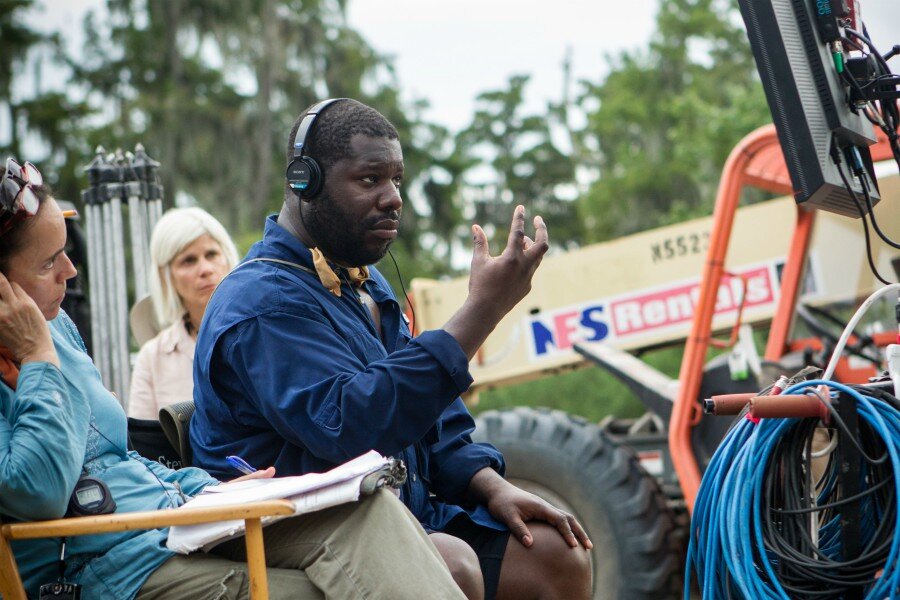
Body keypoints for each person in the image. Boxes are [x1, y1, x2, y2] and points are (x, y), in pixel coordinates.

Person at [0, 158, 466, 600]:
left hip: (170, 521)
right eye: (48, 263)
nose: (70, 271)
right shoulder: (46, 340)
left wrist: (207, 488)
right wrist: (37, 358)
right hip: (103, 563)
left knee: (369, 509)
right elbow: (39, 491)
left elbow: (116, 459)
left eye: (66, 253)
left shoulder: (54, 325)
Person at [191, 99, 593, 600]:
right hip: (301, 525)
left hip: (397, 511)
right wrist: (482, 311)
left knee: (556, 555)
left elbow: (430, 414)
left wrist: (492, 485)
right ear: (304, 182)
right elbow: (349, 427)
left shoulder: (364, 283)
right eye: (369, 180)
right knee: (453, 564)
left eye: (397, 180)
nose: (393, 198)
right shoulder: (262, 301)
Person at [128, 207, 239, 419]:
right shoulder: (152, 358)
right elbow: (143, 436)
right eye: (189, 260)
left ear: (227, 256)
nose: (205, 269)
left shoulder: (261, 331)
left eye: (211, 254)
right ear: (165, 276)